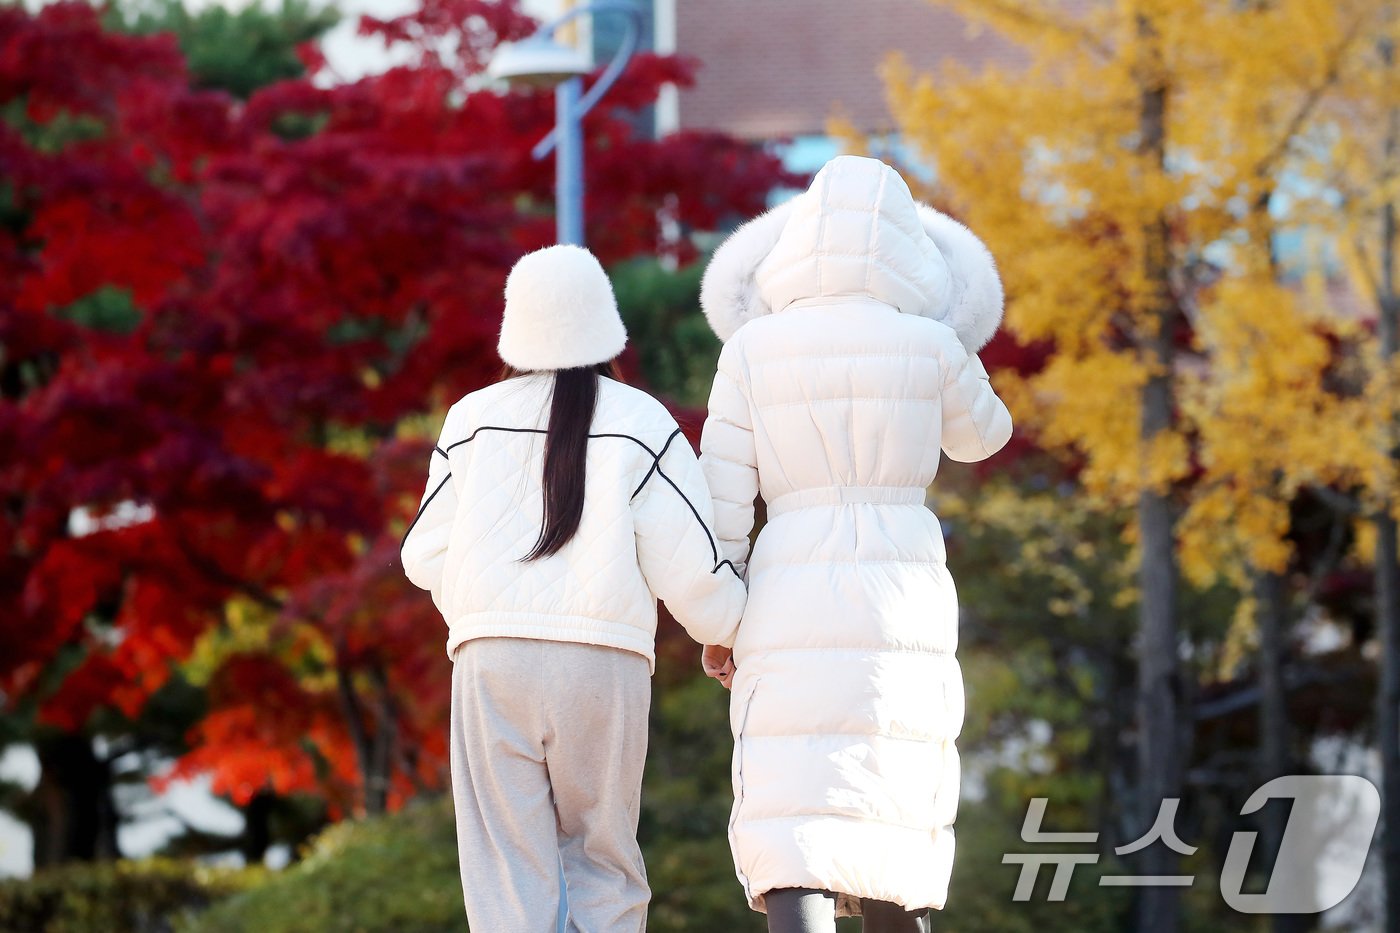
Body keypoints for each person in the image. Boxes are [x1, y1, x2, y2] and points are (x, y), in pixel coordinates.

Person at [696, 156, 1014, 933]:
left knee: (792, 810)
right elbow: (985, 436)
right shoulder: (927, 343)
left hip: (787, 586)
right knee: (889, 805)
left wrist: (718, 625)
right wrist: (951, 333)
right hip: (899, 590)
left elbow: (725, 501)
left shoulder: (751, 350)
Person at [401, 244, 747, 932]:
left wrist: (483, 601)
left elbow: (422, 554)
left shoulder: (470, 419)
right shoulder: (642, 420)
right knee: (605, 863)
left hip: (489, 662)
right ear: (606, 324)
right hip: (602, 659)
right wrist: (730, 633)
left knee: (507, 872)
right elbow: (693, 571)